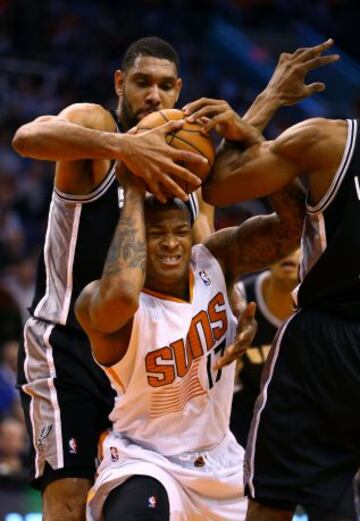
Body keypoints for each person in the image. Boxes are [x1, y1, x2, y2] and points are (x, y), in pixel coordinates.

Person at [12, 36, 337, 520]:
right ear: (120, 84)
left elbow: (204, 258)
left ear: (179, 91)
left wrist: (229, 311)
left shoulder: (185, 174)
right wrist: (125, 146)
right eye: (142, 83)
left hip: (144, 360)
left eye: (166, 86)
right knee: (69, 498)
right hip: (71, 347)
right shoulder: (95, 133)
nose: (153, 96)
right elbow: (27, 138)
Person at [74, 159, 305, 521]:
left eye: (180, 231)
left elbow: (293, 229)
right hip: (147, 461)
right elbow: (121, 294)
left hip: (221, 459)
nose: (170, 243)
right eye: (154, 234)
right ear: (133, 235)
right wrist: (133, 189)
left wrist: (257, 148)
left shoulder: (214, 259)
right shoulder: (98, 301)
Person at [191, 60, 360, 520]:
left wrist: (251, 124)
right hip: (325, 338)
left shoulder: (324, 141)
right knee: (273, 498)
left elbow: (221, 184)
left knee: (272, 501)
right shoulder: (326, 143)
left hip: (324, 344)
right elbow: (220, 190)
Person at [230, 249, 300, 448]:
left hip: (306, 413)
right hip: (248, 411)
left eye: (299, 244)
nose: (289, 252)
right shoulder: (240, 298)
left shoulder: (327, 303)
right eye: (285, 242)